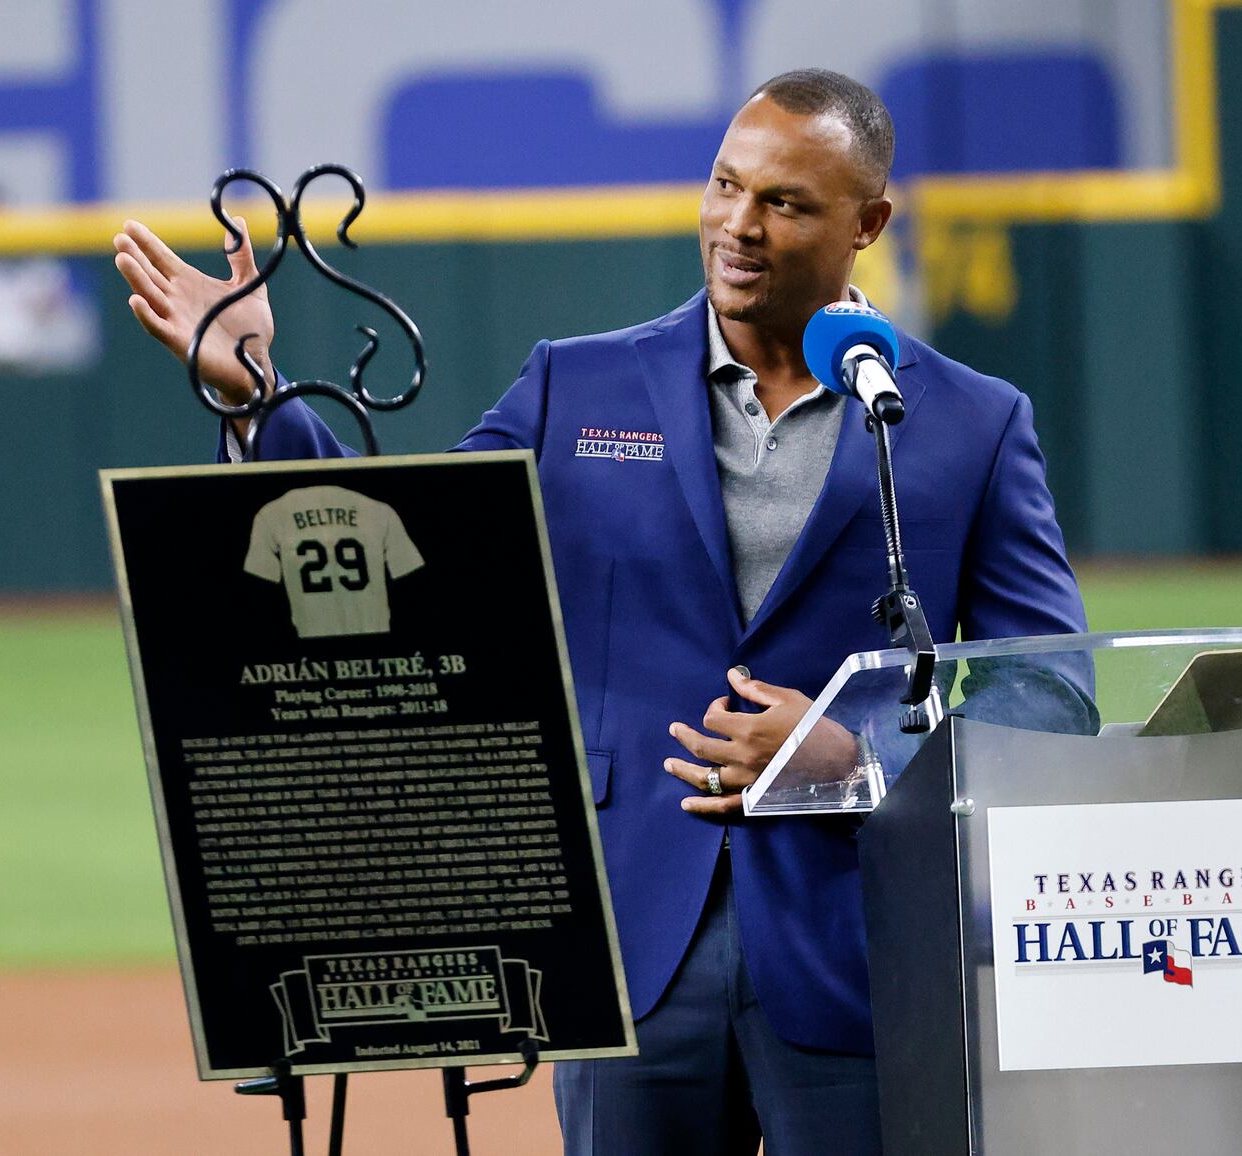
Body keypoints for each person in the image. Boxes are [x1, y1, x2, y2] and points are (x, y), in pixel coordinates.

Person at [113, 70, 1091, 1155]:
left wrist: (856, 750)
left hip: (860, 947)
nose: (739, 225)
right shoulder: (575, 389)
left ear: (868, 223)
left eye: (785, 202)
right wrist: (259, 385)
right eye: (726, 185)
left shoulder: (972, 424)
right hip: (628, 950)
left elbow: (1048, 693)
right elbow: (407, 557)